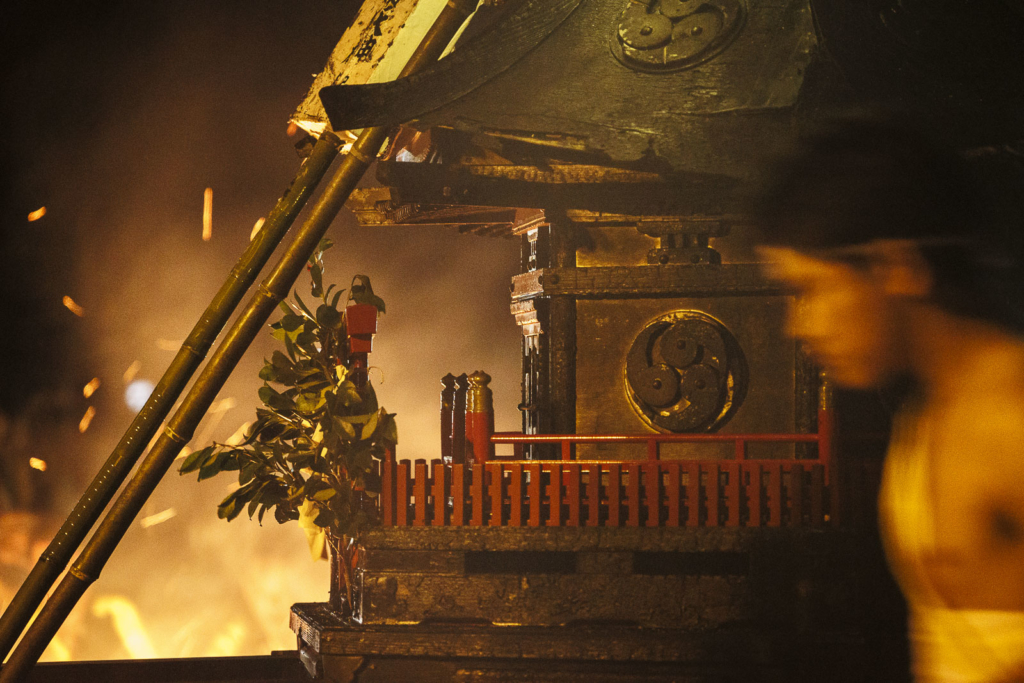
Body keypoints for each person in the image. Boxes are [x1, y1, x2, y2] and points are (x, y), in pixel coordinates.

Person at [754, 117, 1024, 682]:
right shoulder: (930, 410)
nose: (796, 326)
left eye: (810, 291)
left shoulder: (1008, 413)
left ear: (896, 267)